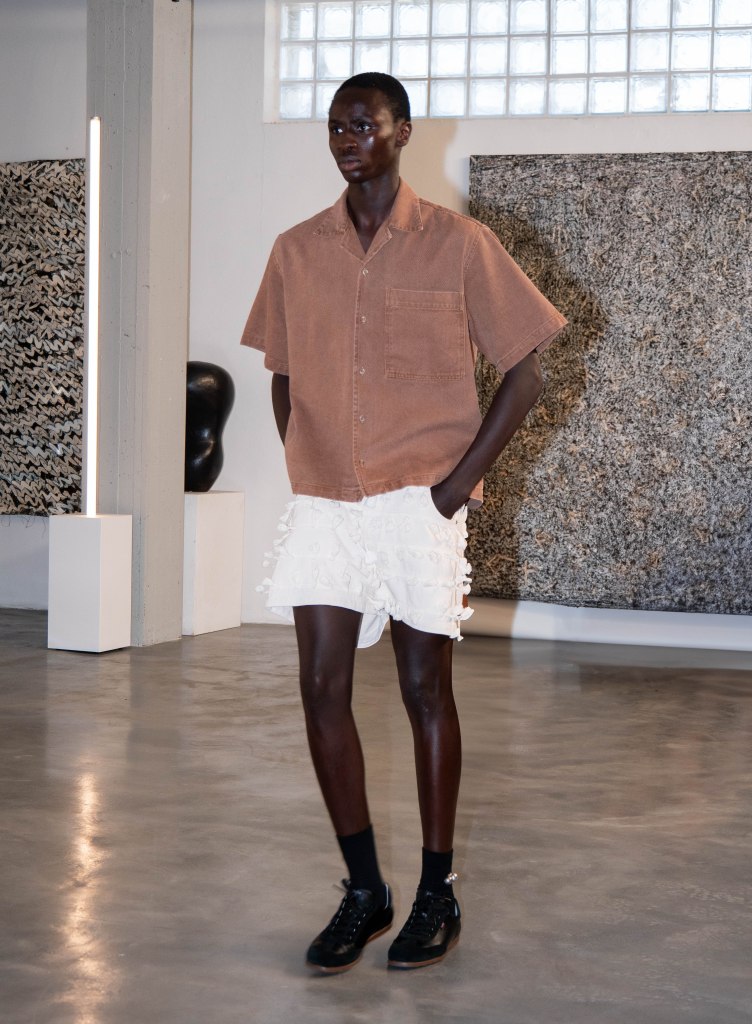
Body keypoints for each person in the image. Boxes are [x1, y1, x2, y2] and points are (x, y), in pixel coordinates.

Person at [241, 72, 566, 973]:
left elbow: (527, 372)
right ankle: (364, 891)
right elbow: (282, 374)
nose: (347, 139)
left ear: (403, 131)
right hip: (326, 505)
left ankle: (436, 890)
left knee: (426, 692)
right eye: (335, 127)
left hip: (419, 502)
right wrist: (307, 460)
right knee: (321, 689)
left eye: (363, 124)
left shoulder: (460, 244)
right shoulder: (295, 250)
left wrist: (454, 489)